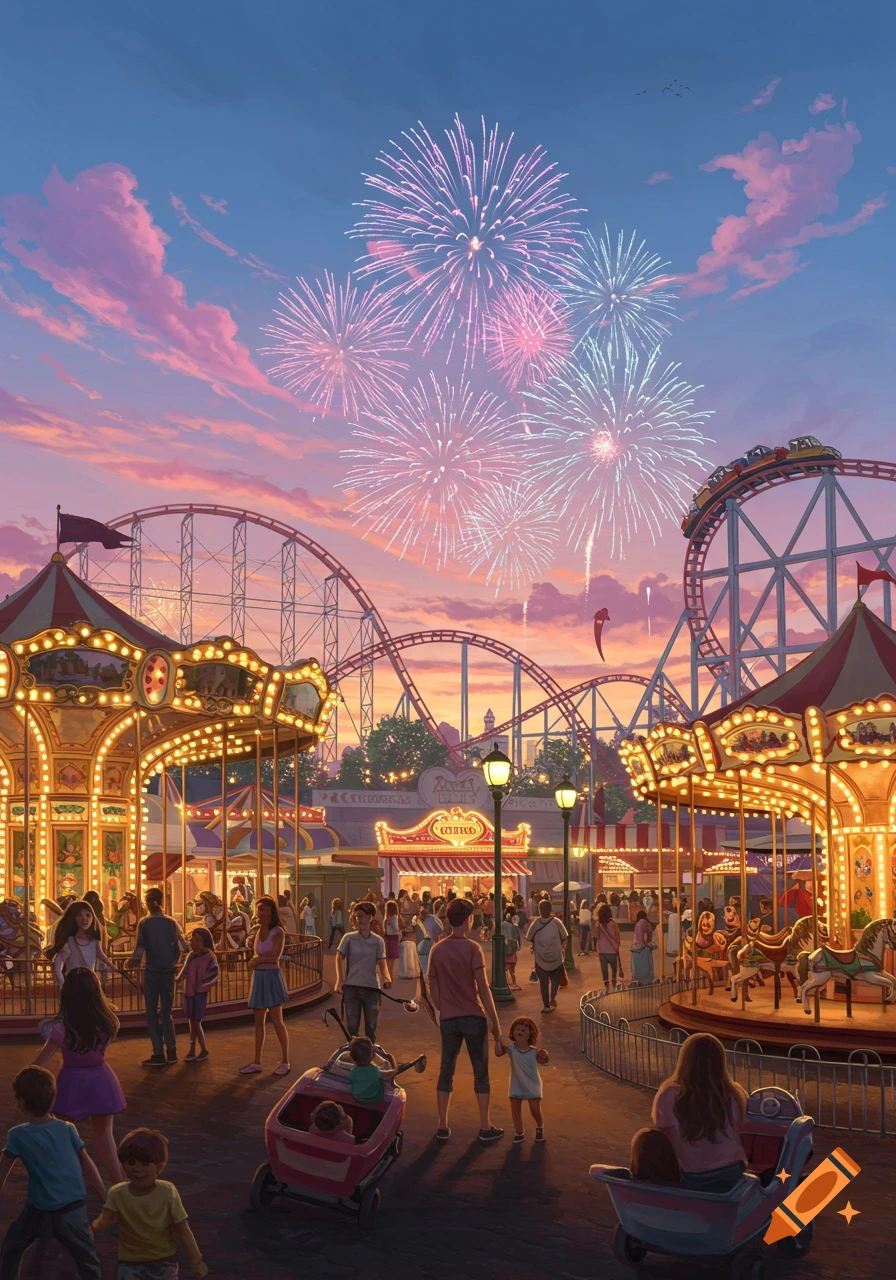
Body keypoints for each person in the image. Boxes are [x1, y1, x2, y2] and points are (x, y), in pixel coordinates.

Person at [0, 1066, 105, 1280]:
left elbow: (2, 1172)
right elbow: (87, 1164)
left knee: (12, 1249)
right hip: (73, 1207)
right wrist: (105, 1193)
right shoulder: (67, 1128)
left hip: (38, 1209)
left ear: (22, 1103)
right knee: (87, 1261)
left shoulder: (17, 1135)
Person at [33, 968, 127, 1183]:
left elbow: (39, 1064)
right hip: (101, 1080)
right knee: (105, 1136)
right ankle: (118, 1183)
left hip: (71, 1082)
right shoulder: (107, 1023)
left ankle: (72, 1180)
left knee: (67, 1136)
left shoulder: (61, 1030)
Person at [427, 898, 504, 1144]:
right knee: (480, 1073)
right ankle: (484, 1126)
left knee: (446, 1071)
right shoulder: (473, 948)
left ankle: (442, 1125)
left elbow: (432, 983)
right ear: (469, 919)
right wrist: (496, 1023)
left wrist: (441, 1005)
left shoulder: (437, 949)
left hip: (449, 1018)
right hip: (474, 1017)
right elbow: (483, 988)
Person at [92, 1127, 207, 1278]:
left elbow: (182, 1228)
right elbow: (103, 1221)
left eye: (145, 1163)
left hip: (164, 1262)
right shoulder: (117, 1193)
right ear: (122, 1164)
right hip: (129, 1263)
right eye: (131, 1162)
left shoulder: (167, 1191)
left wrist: (197, 1259)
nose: (137, 1169)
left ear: (160, 1166)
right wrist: (90, 1229)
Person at [652, 1033, 747, 1192]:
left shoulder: (668, 1094)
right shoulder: (734, 1093)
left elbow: (666, 1140)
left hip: (693, 1175)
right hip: (733, 1172)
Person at [128, 887, 188, 1069]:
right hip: (168, 973)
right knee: (167, 1013)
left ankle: (158, 1052)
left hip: (152, 972)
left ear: (150, 903)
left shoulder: (144, 923)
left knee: (152, 1014)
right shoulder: (171, 922)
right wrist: (175, 961)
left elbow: (139, 949)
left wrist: (131, 963)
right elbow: (183, 946)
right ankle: (171, 1050)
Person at [240, 895, 290, 1076]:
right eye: (258, 909)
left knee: (277, 1021)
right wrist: (257, 960)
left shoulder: (278, 932)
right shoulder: (258, 931)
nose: (259, 913)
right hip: (259, 976)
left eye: (263, 909)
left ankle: (285, 1060)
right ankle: (257, 1061)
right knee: (258, 1023)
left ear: (271, 912)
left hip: (271, 976)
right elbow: (258, 953)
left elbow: (275, 956)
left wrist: (257, 960)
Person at [334, 902, 392, 1040]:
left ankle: (369, 1052)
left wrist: (387, 977)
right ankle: (354, 1052)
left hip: (372, 988)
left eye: (361, 916)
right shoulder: (348, 938)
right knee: (352, 1028)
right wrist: (340, 980)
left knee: (371, 1028)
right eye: (356, 917)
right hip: (352, 987)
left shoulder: (378, 941)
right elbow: (339, 958)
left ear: (370, 917)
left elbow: (381, 961)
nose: (358, 920)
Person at [495, 1016, 549, 1145]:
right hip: (516, 1084)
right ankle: (519, 1132)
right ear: (513, 1031)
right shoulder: (511, 1049)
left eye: (524, 1030)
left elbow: (544, 1060)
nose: (520, 1032)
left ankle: (540, 1126)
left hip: (532, 1084)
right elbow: (498, 1053)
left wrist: (544, 1055)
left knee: (535, 1110)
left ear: (531, 1033)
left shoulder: (535, 1051)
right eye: (517, 1029)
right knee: (515, 1111)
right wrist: (497, 1039)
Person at [46, 899, 113, 987]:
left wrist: (112, 966)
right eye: (79, 915)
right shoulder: (68, 942)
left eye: (88, 915)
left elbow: (101, 954)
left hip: (90, 984)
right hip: (74, 984)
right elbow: (57, 968)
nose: (84, 918)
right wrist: (63, 985)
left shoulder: (94, 941)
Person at [177, 927, 219, 1063]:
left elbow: (213, 973)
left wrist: (202, 985)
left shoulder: (209, 956)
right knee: (192, 1022)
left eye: (196, 940)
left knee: (196, 1022)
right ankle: (193, 1050)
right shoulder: (191, 955)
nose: (192, 942)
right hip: (189, 992)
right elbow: (184, 971)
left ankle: (202, 1049)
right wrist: (176, 980)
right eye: (192, 939)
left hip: (199, 993)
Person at [526, 900, 569, 1013]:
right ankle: (552, 999)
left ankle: (546, 1005)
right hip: (556, 958)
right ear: (551, 910)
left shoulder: (536, 923)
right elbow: (565, 936)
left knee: (544, 983)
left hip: (540, 959)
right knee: (555, 981)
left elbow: (529, 937)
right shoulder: (557, 922)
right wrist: (562, 948)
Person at [346, 1036, 403, 1104]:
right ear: (373, 1056)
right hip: (375, 1098)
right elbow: (393, 1072)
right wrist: (391, 1058)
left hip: (357, 1096)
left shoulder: (353, 1070)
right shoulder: (375, 1070)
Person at [594, 903, 623, 991]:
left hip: (602, 951)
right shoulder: (614, 924)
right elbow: (617, 937)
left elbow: (595, 936)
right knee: (614, 968)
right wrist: (616, 946)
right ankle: (614, 982)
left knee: (604, 970)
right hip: (612, 950)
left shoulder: (598, 924)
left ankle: (606, 986)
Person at [630, 909, 656, 985]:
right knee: (647, 964)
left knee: (637, 966)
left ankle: (637, 979)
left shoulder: (637, 923)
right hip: (643, 947)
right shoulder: (645, 923)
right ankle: (647, 980)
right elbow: (649, 935)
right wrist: (648, 943)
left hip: (634, 948)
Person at [416, 905, 442, 976]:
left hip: (423, 945)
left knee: (424, 969)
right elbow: (440, 930)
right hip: (432, 944)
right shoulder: (433, 919)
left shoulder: (423, 921)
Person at [501, 907, 521, 990]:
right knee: (512, 968)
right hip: (511, 948)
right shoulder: (513, 925)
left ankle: (506, 982)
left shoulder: (502, 924)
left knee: (505, 967)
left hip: (504, 948)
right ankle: (513, 983)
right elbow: (516, 937)